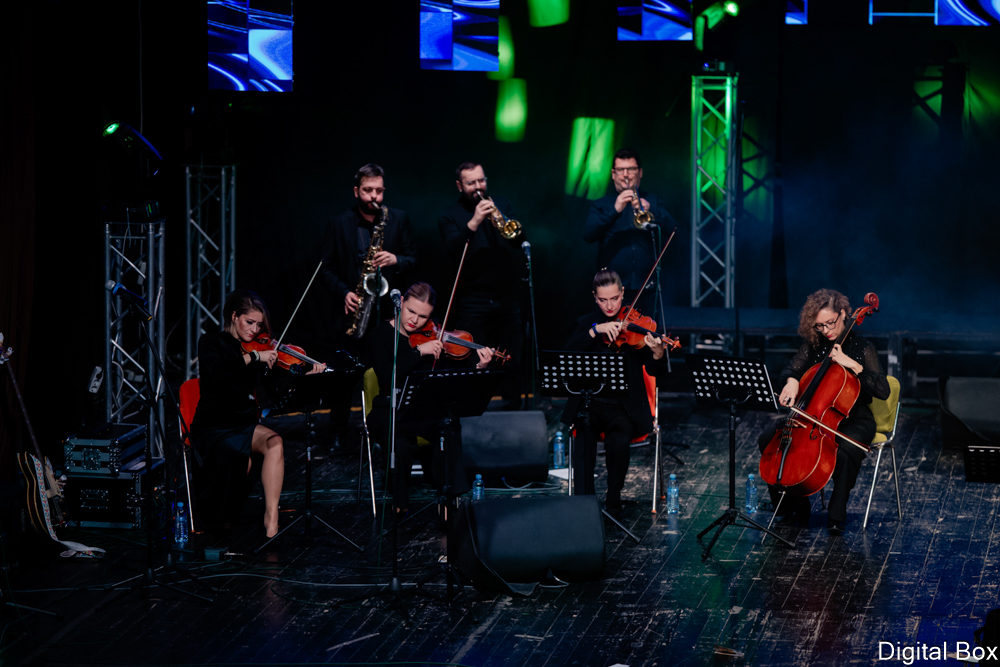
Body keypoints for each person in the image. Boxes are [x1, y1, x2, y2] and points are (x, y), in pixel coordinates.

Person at [191, 290, 325, 539]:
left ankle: (271, 523)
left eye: (259, 325)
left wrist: (306, 378)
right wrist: (253, 356)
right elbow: (215, 372)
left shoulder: (263, 350)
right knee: (240, 458)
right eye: (249, 322)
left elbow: (277, 391)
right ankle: (221, 517)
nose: (255, 330)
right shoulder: (211, 342)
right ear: (234, 316)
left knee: (275, 442)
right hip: (213, 425)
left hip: (244, 422)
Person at [758, 288, 890, 535]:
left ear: (844, 314)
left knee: (847, 450)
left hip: (854, 418)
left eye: (831, 323)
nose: (826, 330)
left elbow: (883, 390)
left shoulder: (863, 347)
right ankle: (794, 507)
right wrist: (792, 382)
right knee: (768, 440)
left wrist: (852, 365)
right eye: (819, 326)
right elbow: (791, 370)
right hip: (813, 416)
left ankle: (836, 514)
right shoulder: (814, 344)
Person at [364, 282, 496, 516]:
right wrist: (418, 352)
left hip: (420, 410)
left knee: (448, 425)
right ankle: (400, 502)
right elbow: (386, 376)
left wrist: (480, 367)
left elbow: (454, 380)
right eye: (411, 311)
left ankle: (448, 498)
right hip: (388, 409)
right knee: (401, 444)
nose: (415, 320)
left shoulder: (436, 339)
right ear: (401, 302)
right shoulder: (380, 335)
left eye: (423, 316)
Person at [319, 163, 417, 447]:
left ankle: (383, 433)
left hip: (386, 313)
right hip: (352, 311)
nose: (374, 196)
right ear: (356, 191)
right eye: (367, 190)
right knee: (343, 377)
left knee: (384, 376)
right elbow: (325, 268)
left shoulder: (397, 218)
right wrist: (344, 293)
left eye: (379, 190)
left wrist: (396, 259)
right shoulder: (339, 222)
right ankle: (338, 433)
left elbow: (413, 259)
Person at [562, 269, 671, 518]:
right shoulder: (586, 323)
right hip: (589, 403)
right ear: (594, 297)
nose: (610, 306)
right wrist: (595, 331)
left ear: (622, 294)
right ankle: (585, 505)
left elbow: (656, 372)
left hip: (623, 407)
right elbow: (566, 354)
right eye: (603, 300)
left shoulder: (636, 327)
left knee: (618, 442)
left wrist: (657, 353)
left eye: (614, 298)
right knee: (584, 437)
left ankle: (613, 500)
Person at [438, 161, 525, 411]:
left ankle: (513, 410)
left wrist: (503, 223)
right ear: (459, 186)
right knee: (474, 358)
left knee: (512, 357)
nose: (478, 187)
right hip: (472, 300)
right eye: (471, 183)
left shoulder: (501, 204)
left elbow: (519, 240)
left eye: (481, 180)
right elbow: (453, 249)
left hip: (506, 297)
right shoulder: (450, 214)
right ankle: (473, 410)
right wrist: (474, 222)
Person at [583, 148, 669, 315]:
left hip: (647, 288)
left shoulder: (652, 201)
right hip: (611, 291)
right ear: (613, 174)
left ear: (640, 172)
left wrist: (652, 210)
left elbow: (675, 231)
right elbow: (588, 235)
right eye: (620, 170)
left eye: (631, 169)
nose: (625, 175)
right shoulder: (601, 205)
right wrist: (615, 209)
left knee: (648, 331)